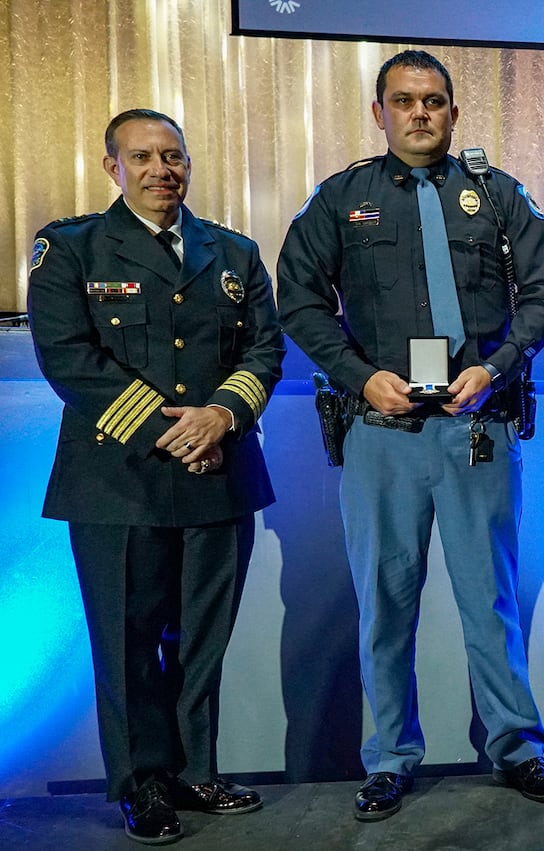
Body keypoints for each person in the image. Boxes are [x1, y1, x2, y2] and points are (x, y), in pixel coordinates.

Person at [276, 50, 544, 820]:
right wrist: (355, 373)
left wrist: (501, 364)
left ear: (453, 112)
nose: (420, 113)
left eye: (434, 101)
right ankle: (390, 757)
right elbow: (299, 301)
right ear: (380, 113)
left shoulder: (500, 196)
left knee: (492, 601)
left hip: (477, 428)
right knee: (385, 601)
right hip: (383, 431)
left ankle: (515, 748)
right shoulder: (342, 199)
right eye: (403, 101)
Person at [28, 108, 282, 844]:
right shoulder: (70, 247)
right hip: (120, 479)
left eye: (172, 156)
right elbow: (70, 357)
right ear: (114, 167)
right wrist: (175, 429)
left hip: (219, 471)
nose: (160, 170)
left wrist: (222, 415)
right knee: (129, 641)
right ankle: (144, 784)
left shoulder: (232, 251)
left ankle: (195, 770)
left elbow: (264, 351)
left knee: (203, 637)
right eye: (141, 157)